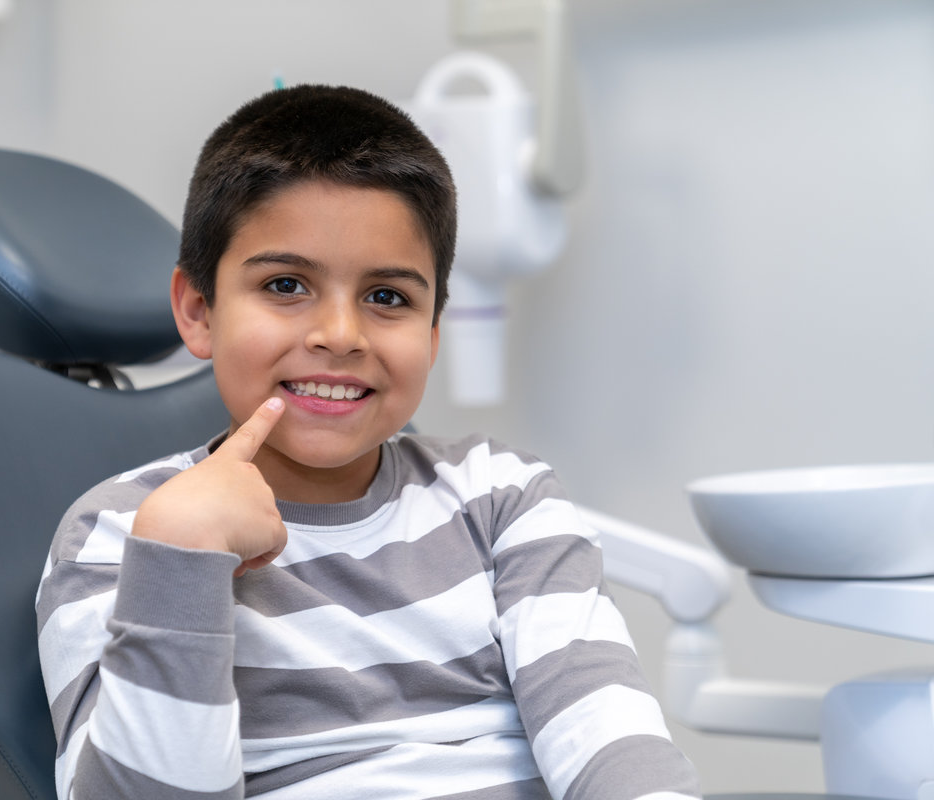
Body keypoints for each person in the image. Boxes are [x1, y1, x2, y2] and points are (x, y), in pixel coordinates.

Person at [36, 84, 702, 800]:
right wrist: (179, 564)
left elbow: (608, 737)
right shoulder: (121, 534)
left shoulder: (502, 498)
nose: (341, 336)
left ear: (434, 332)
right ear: (199, 310)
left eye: (388, 298)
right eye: (287, 284)